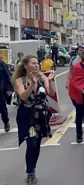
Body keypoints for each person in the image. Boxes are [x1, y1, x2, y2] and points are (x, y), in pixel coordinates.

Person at [11, 55, 55, 185]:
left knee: (37, 144)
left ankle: (32, 168)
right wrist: (32, 85)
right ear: (25, 66)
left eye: (38, 63)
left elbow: (51, 93)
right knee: (31, 143)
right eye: (33, 63)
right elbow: (24, 97)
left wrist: (51, 81)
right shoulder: (20, 80)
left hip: (41, 116)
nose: (37, 65)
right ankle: (30, 173)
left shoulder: (42, 77)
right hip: (27, 116)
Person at [0, 58, 13, 132]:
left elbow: (7, 75)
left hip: (0, 90)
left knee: (2, 108)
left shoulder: (1, 63)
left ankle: (6, 121)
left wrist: (9, 88)